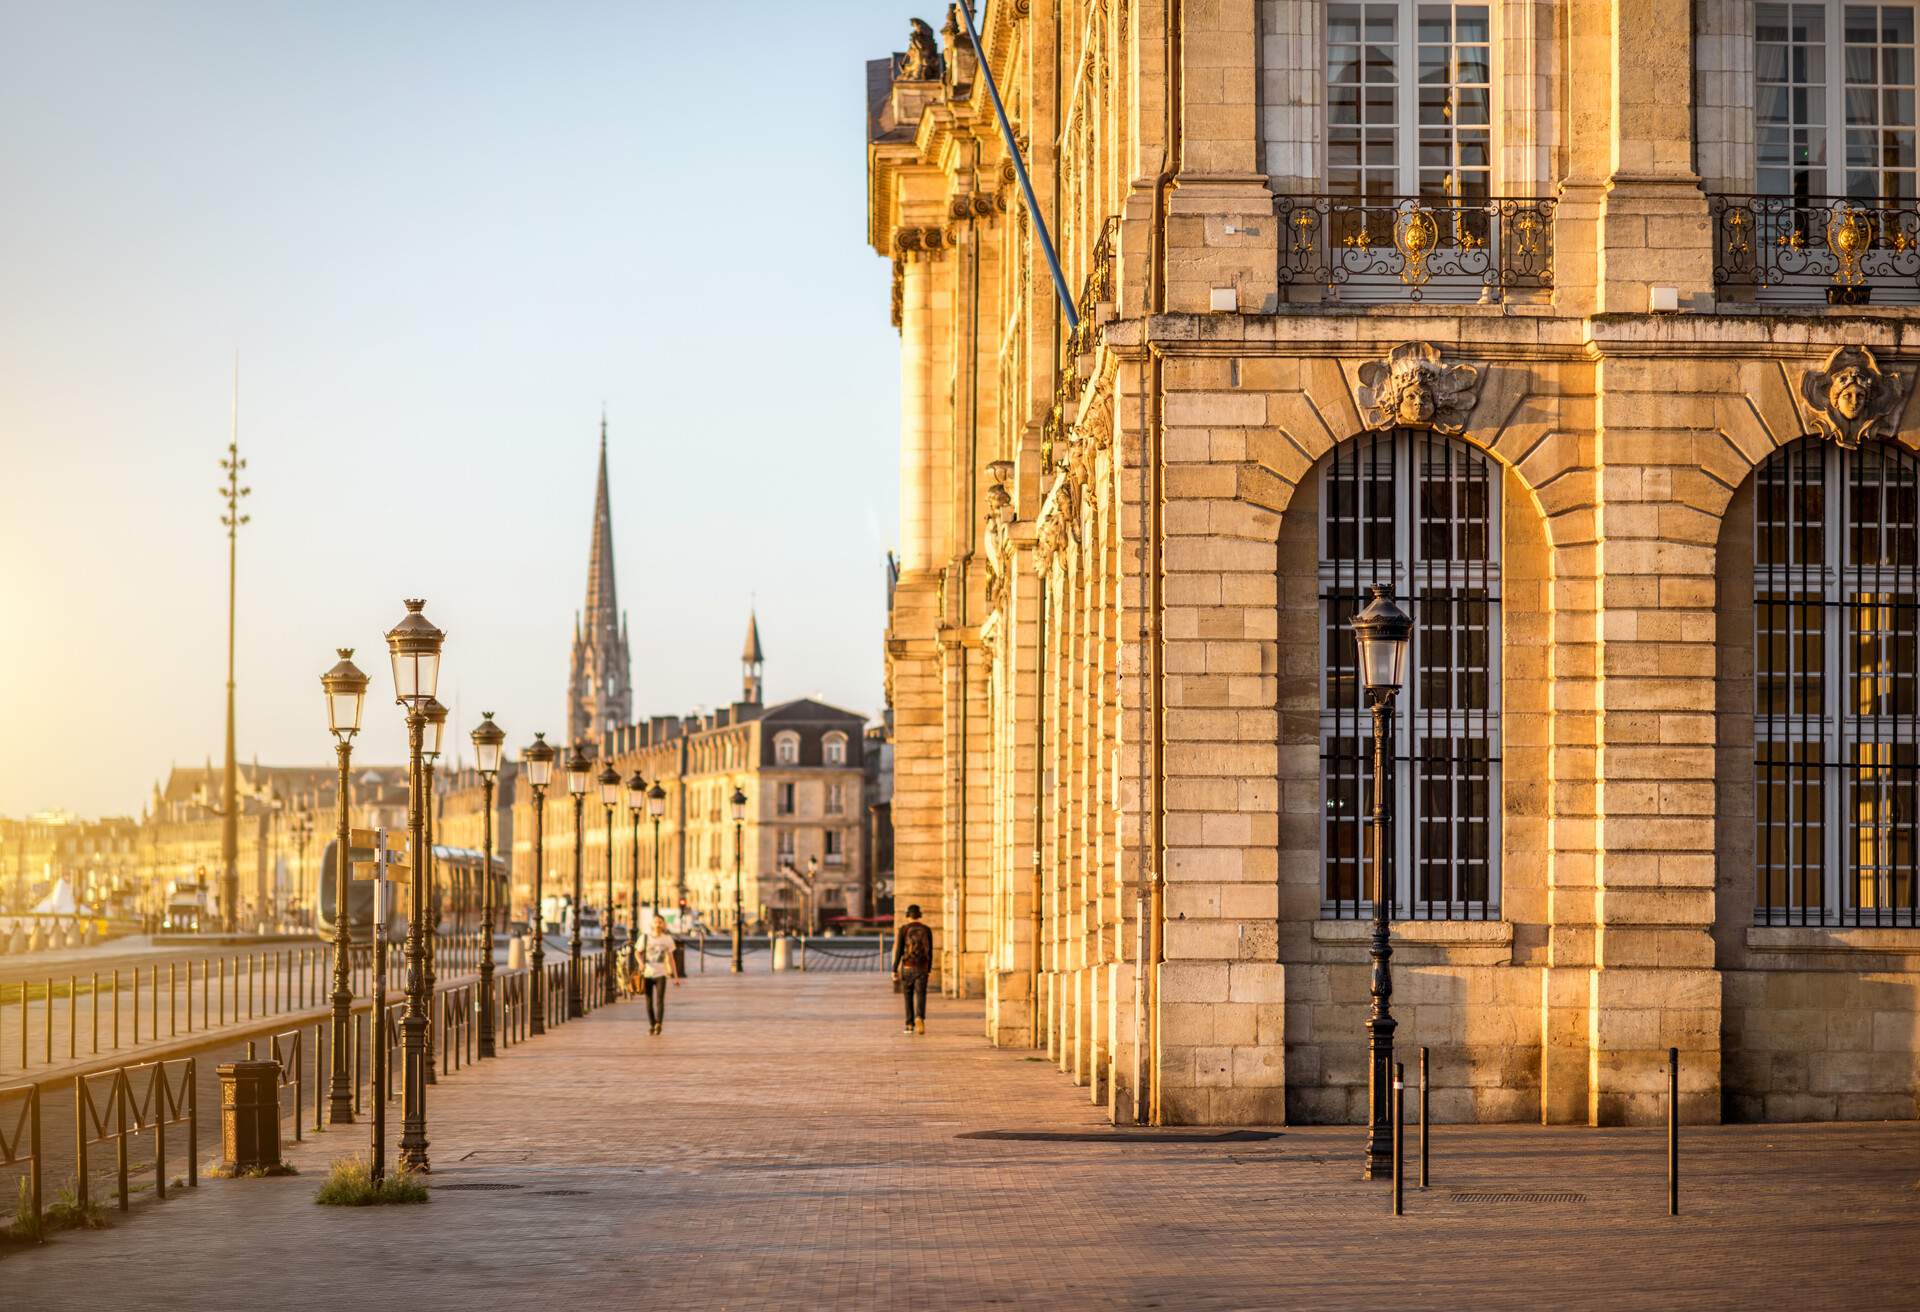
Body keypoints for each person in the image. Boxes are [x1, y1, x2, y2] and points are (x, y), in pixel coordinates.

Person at [892, 904, 933, 1035]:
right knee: (921, 994)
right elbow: (930, 951)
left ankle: (909, 1024)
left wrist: (894, 969)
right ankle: (919, 1017)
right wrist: (928, 968)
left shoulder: (904, 929)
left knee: (908, 996)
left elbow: (899, 951)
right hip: (922, 967)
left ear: (908, 916)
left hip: (907, 967)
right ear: (919, 915)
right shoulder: (926, 929)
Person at [639, 914, 679, 1035]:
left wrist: (676, 977)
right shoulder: (645, 937)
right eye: (656, 922)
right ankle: (652, 1024)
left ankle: (658, 1024)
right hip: (647, 974)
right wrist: (641, 963)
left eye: (660, 922)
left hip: (661, 974)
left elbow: (671, 959)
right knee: (648, 1001)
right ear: (651, 924)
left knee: (660, 1000)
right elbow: (637, 952)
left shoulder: (667, 939)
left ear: (663, 924)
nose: (658, 924)